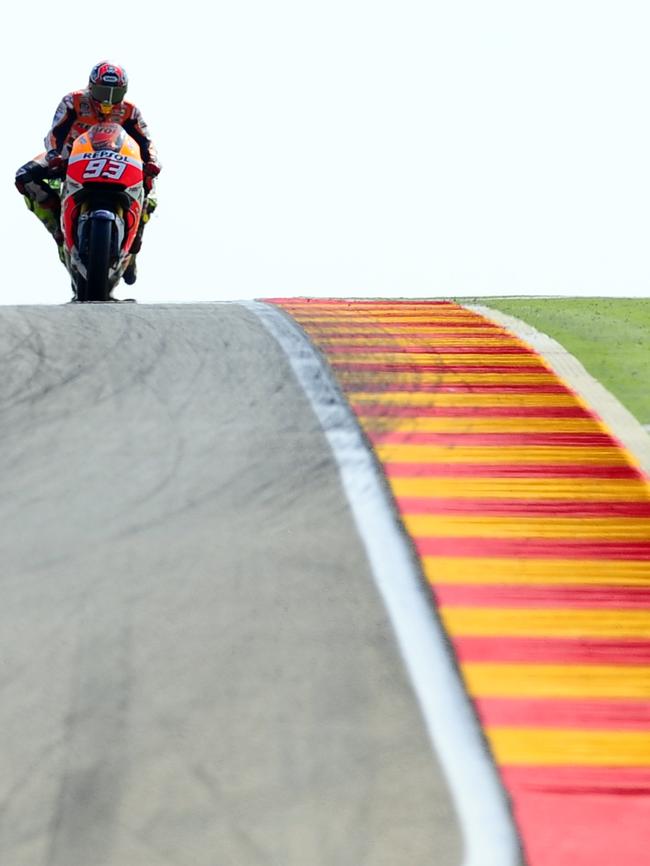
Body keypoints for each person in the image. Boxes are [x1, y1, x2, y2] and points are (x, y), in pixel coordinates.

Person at [14, 61, 161, 286]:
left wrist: (151, 161)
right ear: (91, 87)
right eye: (103, 92)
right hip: (70, 158)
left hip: (116, 160)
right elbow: (55, 132)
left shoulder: (130, 111)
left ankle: (134, 245)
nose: (108, 100)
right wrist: (54, 155)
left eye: (116, 93)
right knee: (24, 177)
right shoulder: (73, 102)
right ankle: (55, 220)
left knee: (150, 188)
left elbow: (146, 140)